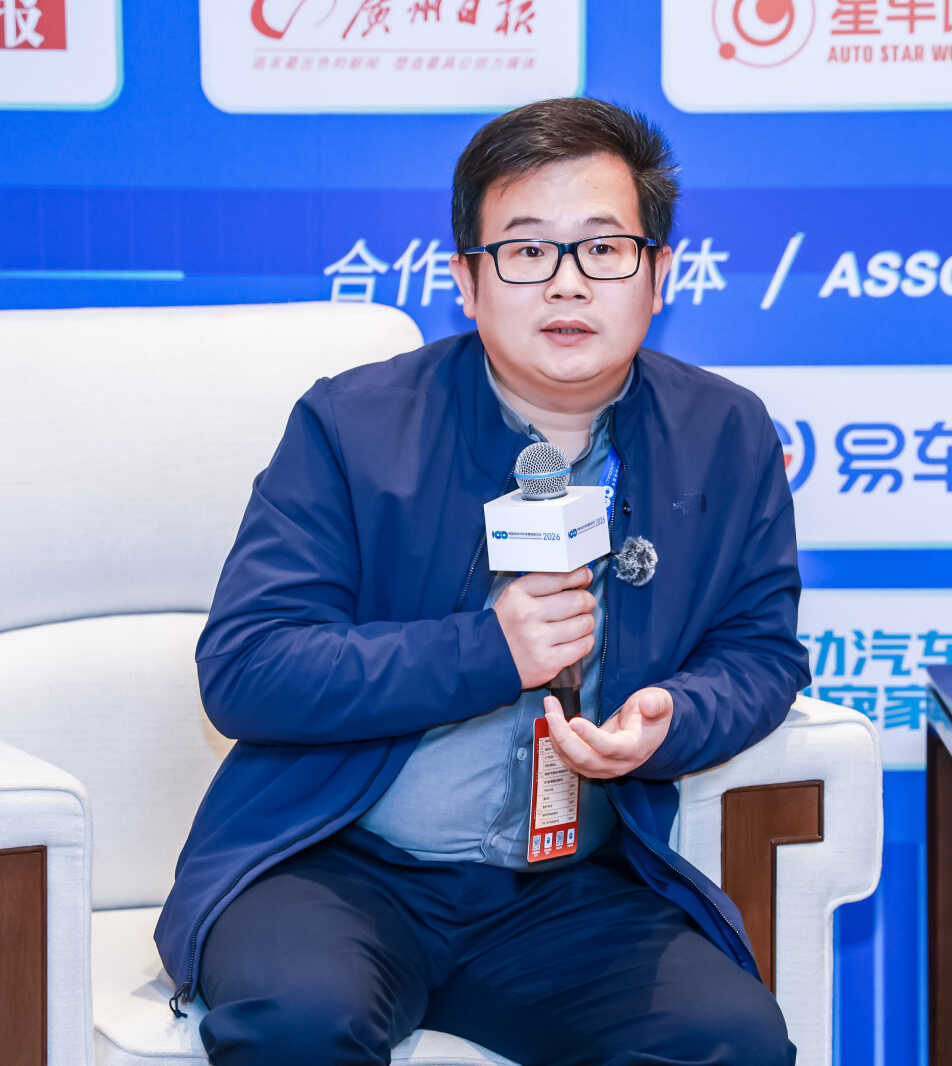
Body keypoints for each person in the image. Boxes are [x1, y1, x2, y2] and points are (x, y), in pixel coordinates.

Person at [153, 96, 810, 1066]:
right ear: (466, 279)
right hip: (337, 868)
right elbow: (247, 669)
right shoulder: (353, 426)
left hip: (568, 891)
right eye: (527, 250)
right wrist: (486, 650)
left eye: (603, 248)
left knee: (732, 1041)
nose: (567, 282)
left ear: (659, 273)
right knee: (300, 1022)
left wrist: (675, 716)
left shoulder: (725, 433)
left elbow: (760, 650)